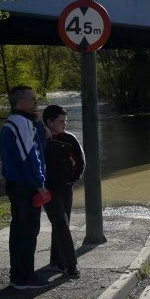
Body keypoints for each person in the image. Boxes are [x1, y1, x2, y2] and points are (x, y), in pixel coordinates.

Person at [0, 85, 50, 289]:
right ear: (21, 102)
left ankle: (19, 274)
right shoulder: (19, 123)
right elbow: (29, 157)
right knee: (27, 232)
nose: (35, 101)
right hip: (24, 186)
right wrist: (40, 185)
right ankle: (24, 277)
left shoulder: (22, 122)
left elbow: (39, 149)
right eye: (32, 99)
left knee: (21, 230)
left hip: (19, 184)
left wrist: (38, 124)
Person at [42, 105, 85, 279]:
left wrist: (72, 181)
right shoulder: (40, 139)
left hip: (66, 188)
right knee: (61, 224)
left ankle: (56, 262)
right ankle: (71, 265)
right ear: (49, 122)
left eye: (65, 120)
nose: (65, 124)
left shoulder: (70, 138)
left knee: (61, 224)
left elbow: (81, 162)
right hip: (47, 189)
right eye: (61, 121)